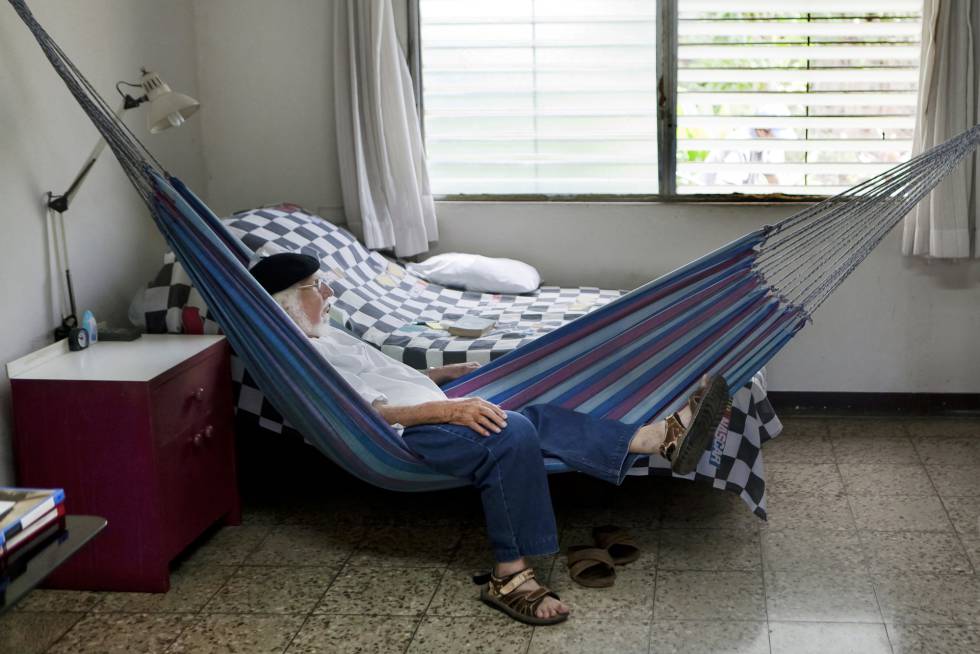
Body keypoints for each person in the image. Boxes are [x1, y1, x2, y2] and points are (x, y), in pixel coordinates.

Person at [250, 252, 729, 626]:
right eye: (315, 287)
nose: (330, 292)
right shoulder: (306, 358)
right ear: (283, 303)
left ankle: (657, 438)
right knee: (509, 428)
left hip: (426, 409)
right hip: (403, 434)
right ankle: (508, 577)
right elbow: (367, 411)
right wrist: (450, 407)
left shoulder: (328, 338)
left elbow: (385, 378)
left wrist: (443, 374)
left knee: (530, 411)